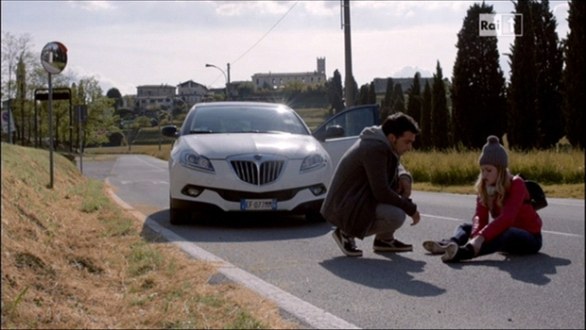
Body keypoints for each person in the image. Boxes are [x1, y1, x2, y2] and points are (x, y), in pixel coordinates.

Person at [422, 135, 543, 262]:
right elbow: (480, 217)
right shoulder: (485, 186)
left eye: (489, 170)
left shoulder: (517, 183)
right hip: (504, 236)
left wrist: (480, 237)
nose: (484, 174)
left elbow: (507, 218)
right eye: (482, 170)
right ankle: (450, 244)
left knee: (507, 232)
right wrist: (475, 235)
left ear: (500, 170)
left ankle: (466, 252)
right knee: (464, 227)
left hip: (530, 238)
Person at [321, 112, 421, 257]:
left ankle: (384, 240)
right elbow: (381, 192)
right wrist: (410, 208)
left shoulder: (384, 142)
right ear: (393, 138)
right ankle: (345, 232)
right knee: (396, 215)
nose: (410, 147)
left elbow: (394, 164)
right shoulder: (375, 148)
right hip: (344, 206)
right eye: (407, 142)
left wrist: (404, 176)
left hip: (358, 199)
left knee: (397, 192)